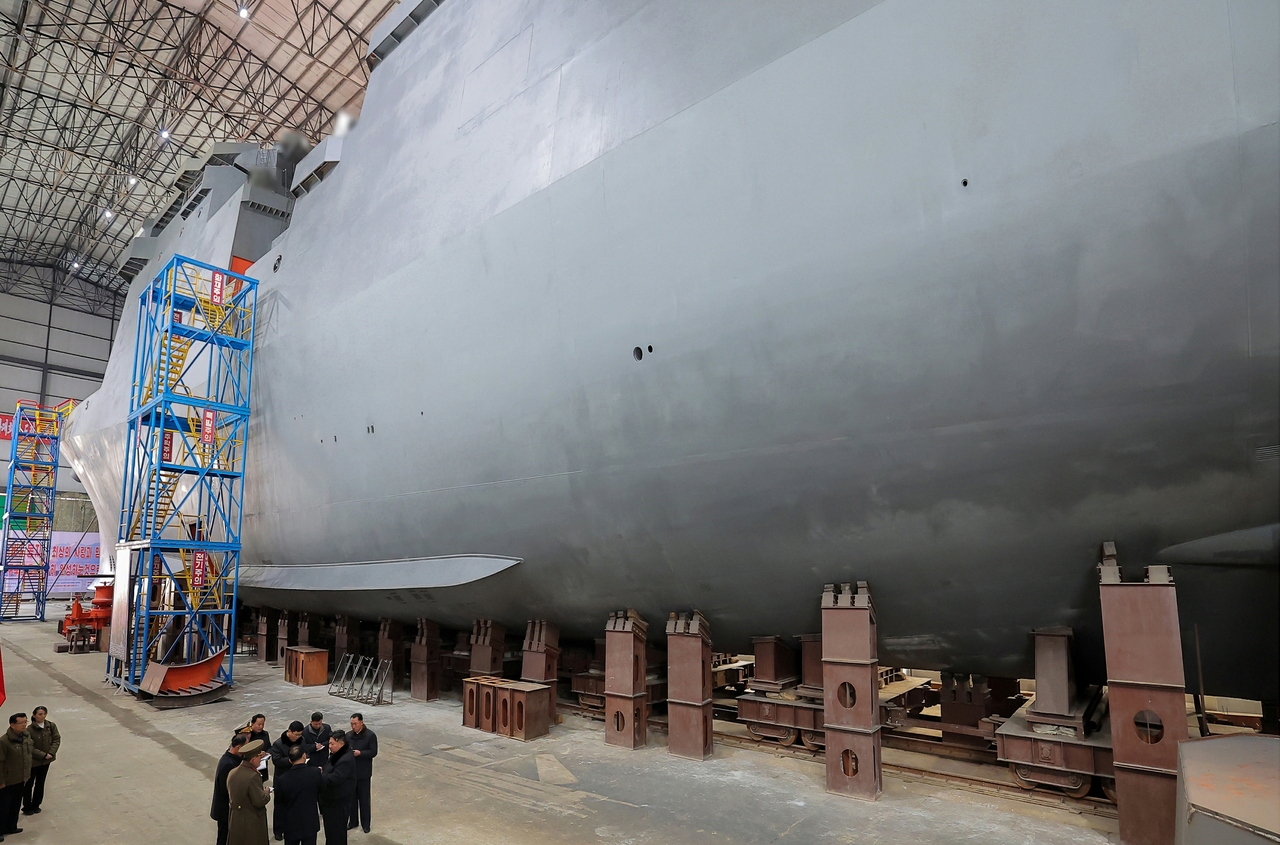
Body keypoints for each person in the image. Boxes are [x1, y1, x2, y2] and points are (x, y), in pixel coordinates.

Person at [227, 739, 271, 845]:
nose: (260, 761)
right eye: (259, 757)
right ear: (253, 758)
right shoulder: (253, 776)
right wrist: (266, 793)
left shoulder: (233, 772)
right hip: (251, 821)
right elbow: (259, 801)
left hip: (236, 819)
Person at [274, 746, 321, 845]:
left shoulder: (282, 779)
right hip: (310, 822)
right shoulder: (315, 772)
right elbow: (321, 792)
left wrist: (279, 828)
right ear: (304, 756)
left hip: (291, 824)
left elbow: (279, 805)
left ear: (290, 760)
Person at [268, 722, 305, 841]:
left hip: (298, 776)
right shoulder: (278, 744)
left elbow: (305, 751)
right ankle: (278, 830)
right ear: (289, 731)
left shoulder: (301, 740)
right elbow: (276, 761)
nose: (298, 737)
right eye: (296, 735)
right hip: (282, 778)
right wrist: (291, 760)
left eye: (300, 735)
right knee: (280, 806)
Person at [319, 731, 355, 845]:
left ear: (341, 743)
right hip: (330, 800)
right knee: (331, 832)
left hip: (338, 802)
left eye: (332, 744)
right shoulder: (337, 754)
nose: (329, 746)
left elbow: (335, 778)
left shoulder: (346, 759)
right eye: (329, 743)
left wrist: (319, 776)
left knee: (337, 832)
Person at [212, 733, 249, 845]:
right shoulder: (228, 765)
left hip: (228, 808)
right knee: (225, 837)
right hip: (225, 810)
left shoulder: (232, 758)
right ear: (238, 747)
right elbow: (227, 789)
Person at [22, 705, 59, 815]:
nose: (42, 716)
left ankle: (36, 804)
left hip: (46, 760)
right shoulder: (28, 730)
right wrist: (43, 755)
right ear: (34, 715)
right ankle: (27, 806)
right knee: (29, 784)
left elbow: (56, 739)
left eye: (44, 714)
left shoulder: (51, 726)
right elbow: (29, 746)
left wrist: (51, 753)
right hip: (34, 762)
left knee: (40, 783)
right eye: (40, 714)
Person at [0, 714, 32, 841]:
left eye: (25, 722)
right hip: (7, 781)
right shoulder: (4, 741)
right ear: (12, 725)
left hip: (20, 778)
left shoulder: (25, 737)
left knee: (15, 804)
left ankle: (11, 826)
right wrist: (1, 781)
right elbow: (0, 762)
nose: (24, 725)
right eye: (21, 723)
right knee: (3, 807)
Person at [346, 713, 377, 833]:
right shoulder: (348, 736)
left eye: (355, 724)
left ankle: (366, 824)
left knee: (364, 800)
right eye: (352, 724)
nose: (353, 726)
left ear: (361, 723)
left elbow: (373, 752)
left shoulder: (370, 736)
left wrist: (361, 753)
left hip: (364, 772)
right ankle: (353, 821)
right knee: (352, 800)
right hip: (351, 773)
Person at [234, 715, 270, 782]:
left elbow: (269, 747)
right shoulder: (246, 737)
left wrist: (266, 753)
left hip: (262, 766)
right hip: (250, 768)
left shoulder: (265, 734)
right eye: (259, 724)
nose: (261, 727)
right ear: (252, 724)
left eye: (262, 724)